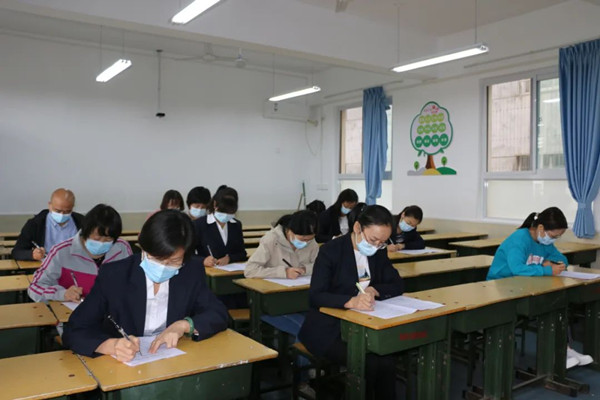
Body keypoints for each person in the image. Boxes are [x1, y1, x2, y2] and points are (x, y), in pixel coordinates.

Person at [62, 210, 228, 362]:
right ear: (143, 246)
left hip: (173, 361)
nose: (163, 266)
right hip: (123, 366)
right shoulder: (115, 275)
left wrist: (183, 325)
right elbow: (74, 329)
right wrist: (111, 345)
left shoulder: (190, 271)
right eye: (156, 258)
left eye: (174, 261)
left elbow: (218, 312)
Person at [299, 205, 404, 398]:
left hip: (365, 326)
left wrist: (375, 289)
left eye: (382, 243)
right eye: (373, 240)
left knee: (387, 360)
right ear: (357, 228)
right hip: (329, 328)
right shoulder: (331, 251)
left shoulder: (378, 252)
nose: (376, 246)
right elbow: (316, 295)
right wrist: (350, 302)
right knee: (369, 362)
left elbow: (397, 284)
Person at [487, 207, 592, 369]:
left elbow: (560, 258)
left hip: (523, 285)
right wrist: (547, 269)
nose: (553, 240)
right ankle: (555, 355)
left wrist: (559, 264)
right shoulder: (518, 240)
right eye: (553, 236)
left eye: (558, 237)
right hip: (501, 289)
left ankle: (566, 350)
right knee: (550, 304)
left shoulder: (544, 242)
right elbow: (517, 269)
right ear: (541, 228)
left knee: (558, 302)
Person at [28, 204, 132, 302]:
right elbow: (35, 287)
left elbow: (134, 282)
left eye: (108, 240)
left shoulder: (122, 248)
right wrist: (62, 294)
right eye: (97, 238)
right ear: (86, 231)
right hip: (71, 312)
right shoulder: (61, 252)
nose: (101, 243)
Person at [12, 188, 84, 261]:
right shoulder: (35, 224)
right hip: (46, 265)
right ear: (50, 205)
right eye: (58, 211)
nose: (62, 214)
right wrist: (32, 255)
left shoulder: (83, 223)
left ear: (72, 207)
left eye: (67, 211)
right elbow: (17, 252)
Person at [245, 210, 318, 279]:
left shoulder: (312, 242)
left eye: (309, 239)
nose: (306, 243)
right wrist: (284, 272)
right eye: (303, 239)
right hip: (272, 286)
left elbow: (319, 265)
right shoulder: (271, 240)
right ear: (289, 230)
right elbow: (250, 270)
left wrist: (305, 269)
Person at [194, 187, 247, 266]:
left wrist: (229, 258)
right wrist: (203, 260)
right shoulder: (199, 224)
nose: (226, 215)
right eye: (223, 211)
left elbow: (242, 254)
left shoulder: (236, 225)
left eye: (230, 212)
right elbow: (188, 255)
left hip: (230, 270)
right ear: (215, 204)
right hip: (208, 270)